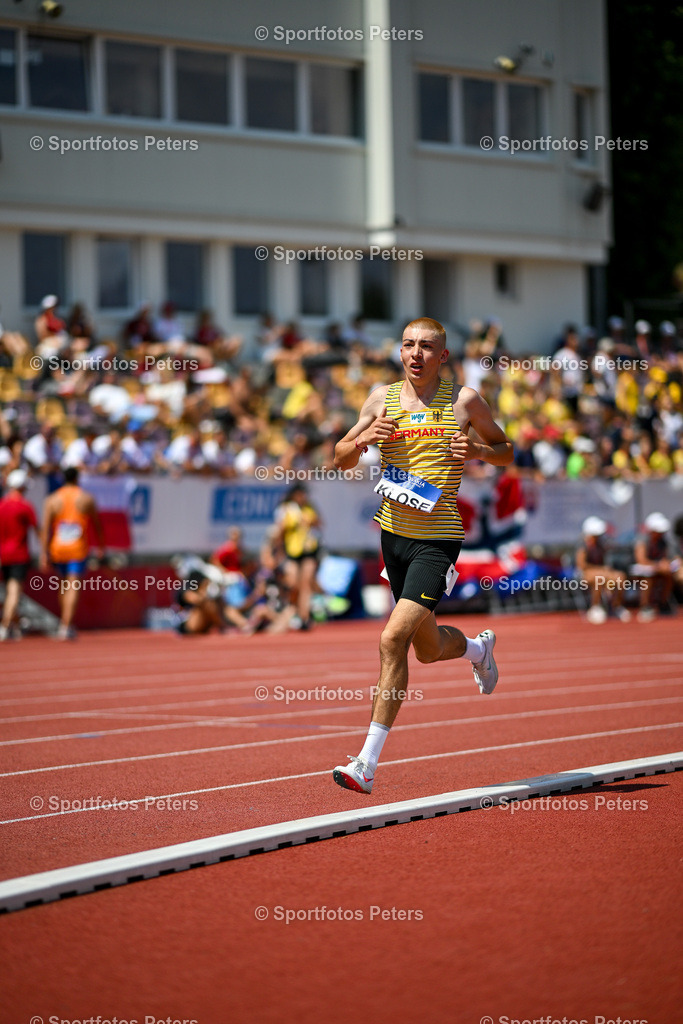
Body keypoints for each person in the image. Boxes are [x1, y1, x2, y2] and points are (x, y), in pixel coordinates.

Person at [331, 316, 513, 794]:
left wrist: (476, 449)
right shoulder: (381, 398)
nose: (416, 354)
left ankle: (365, 764)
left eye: (427, 347)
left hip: (438, 539)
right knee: (427, 651)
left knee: (392, 641)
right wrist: (361, 442)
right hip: (393, 538)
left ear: (443, 356)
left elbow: (506, 450)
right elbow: (339, 456)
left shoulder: (464, 401)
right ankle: (478, 649)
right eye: (408, 345)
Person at [40, 466, 105, 640]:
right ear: (77, 479)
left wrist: (43, 553)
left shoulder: (52, 500)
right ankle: (66, 624)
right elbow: (97, 524)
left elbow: (46, 530)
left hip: (58, 548)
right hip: (77, 549)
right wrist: (100, 545)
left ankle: (65, 622)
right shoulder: (86, 498)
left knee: (63, 586)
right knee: (73, 586)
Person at [272, 483, 321, 631]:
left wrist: (313, 522)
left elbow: (319, 524)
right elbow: (280, 532)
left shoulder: (309, 508)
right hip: (292, 551)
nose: (303, 497)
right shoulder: (287, 510)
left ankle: (304, 618)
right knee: (293, 583)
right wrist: (278, 552)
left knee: (306, 583)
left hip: (309, 550)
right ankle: (293, 609)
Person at [0, 470, 39, 641]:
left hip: (3, 554)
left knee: (11, 590)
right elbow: (38, 529)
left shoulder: (1, 505)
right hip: (18, 554)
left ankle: (13, 625)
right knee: (14, 591)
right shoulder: (25, 506)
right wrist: (45, 552)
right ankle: (5, 624)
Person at [575, 516, 631, 624]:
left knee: (620, 577)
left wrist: (605, 571)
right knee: (599, 578)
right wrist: (601, 569)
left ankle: (616, 606)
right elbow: (581, 565)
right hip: (586, 573)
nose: (598, 537)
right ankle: (595, 607)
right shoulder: (583, 545)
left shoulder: (601, 544)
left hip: (602, 572)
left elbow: (605, 562)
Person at [633, 512, 676, 621]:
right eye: (658, 531)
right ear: (651, 531)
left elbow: (670, 557)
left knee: (669, 576)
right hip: (641, 573)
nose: (661, 534)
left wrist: (667, 564)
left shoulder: (664, 542)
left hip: (658, 570)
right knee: (648, 579)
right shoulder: (642, 540)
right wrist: (657, 565)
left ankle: (663, 603)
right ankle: (645, 606)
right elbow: (641, 560)